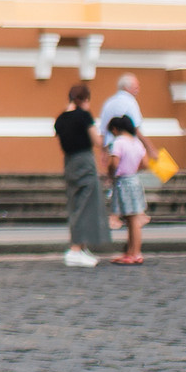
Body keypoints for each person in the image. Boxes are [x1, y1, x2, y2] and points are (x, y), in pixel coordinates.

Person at [53, 82, 107, 266]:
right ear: (84, 99)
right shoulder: (83, 116)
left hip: (69, 162)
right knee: (86, 204)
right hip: (84, 160)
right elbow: (96, 140)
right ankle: (76, 249)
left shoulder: (60, 119)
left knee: (76, 203)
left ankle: (81, 247)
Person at [105, 113, 150, 264]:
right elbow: (145, 163)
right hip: (134, 180)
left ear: (116, 129)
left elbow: (114, 163)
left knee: (132, 220)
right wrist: (134, 168)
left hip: (123, 181)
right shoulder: (137, 143)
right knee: (132, 219)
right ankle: (131, 251)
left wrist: (110, 174)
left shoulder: (119, 142)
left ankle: (135, 252)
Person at [99, 74, 143, 230]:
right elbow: (137, 128)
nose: (138, 90)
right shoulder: (130, 102)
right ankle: (121, 216)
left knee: (117, 184)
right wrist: (149, 148)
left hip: (113, 146)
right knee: (126, 183)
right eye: (135, 87)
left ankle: (120, 216)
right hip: (128, 147)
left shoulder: (109, 103)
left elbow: (103, 129)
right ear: (127, 87)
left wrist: (104, 152)